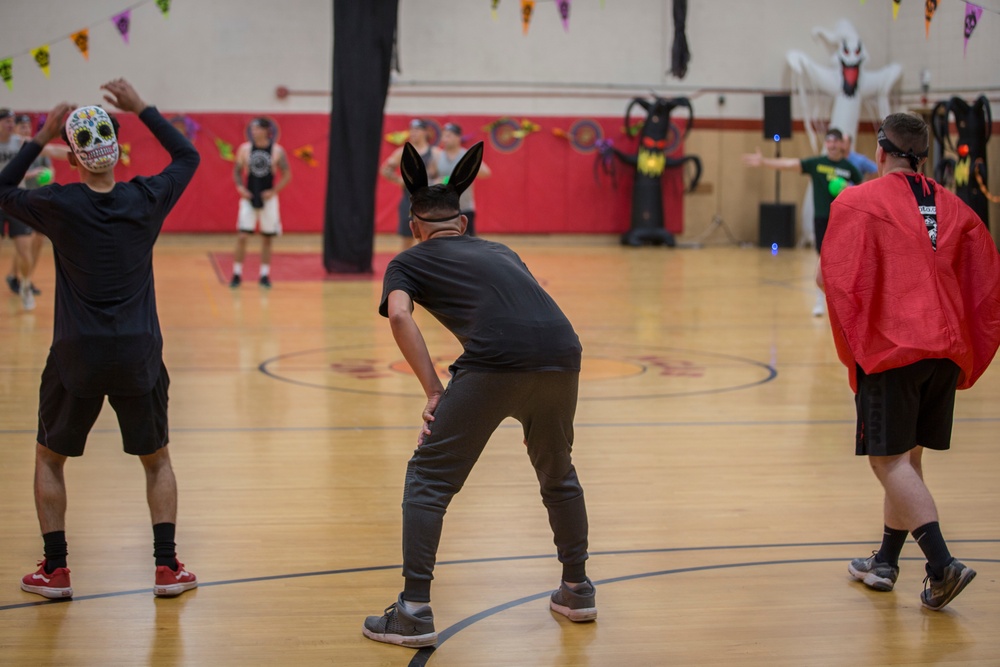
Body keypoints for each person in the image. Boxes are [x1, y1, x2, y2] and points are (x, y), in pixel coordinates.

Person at [363, 142, 594, 648]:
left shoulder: (407, 260)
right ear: (463, 224)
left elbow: (400, 315)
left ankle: (413, 610)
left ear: (413, 225)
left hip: (494, 363)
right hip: (563, 353)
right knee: (557, 471)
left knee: (427, 478)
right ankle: (576, 589)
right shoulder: (501, 249)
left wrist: (433, 390)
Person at [0, 79, 201, 600]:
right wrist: (143, 107)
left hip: (76, 356)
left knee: (49, 458)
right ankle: (166, 569)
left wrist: (39, 135)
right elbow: (188, 155)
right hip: (139, 354)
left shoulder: (57, 204)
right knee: (156, 459)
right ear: (118, 146)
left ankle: (57, 571)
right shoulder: (147, 197)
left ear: (71, 158)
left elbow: (1, 191)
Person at [819, 112, 1000, 611]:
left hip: (895, 347)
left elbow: (832, 279)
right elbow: (985, 277)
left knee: (888, 460)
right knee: (909, 459)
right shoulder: (957, 208)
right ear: (925, 154)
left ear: (880, 151)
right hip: (944, 350)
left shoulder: (857, 202)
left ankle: (941, 566)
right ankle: (885, 562)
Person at [743, 127, 863, 316]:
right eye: (829, 141)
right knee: (821, 261)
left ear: (842, 144)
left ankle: (845, 302)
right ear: (826, 144)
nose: (832, 145)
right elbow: (790, 164)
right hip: (822, 218)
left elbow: (861, 192)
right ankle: (819, 301)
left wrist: (849, 188)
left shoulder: (850, 168)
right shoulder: (817, 163)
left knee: (844, 262)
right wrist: (764, 162)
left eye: (835, 141)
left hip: (844, 220)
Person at [0, 110, 64, 310]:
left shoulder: (20, 142)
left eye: (12, 121)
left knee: (24, 250)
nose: (11, 124)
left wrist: (75, 153)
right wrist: (29, 174)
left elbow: (51, 150)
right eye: (7, 121)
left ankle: (25, 286)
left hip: (15, 201)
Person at [230, 117, 291, 288]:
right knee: (242, 236)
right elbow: (236, 171)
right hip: (249, 198)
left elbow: (287, 174)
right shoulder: (245, 149)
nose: (254, 132)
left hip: (268, 199)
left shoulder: (277, 151)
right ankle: (236, 273)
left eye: (257, 128)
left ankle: (264, 275)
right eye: (252, 129)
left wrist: (274, 191)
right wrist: (240, 187)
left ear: (266, 130)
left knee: (267, 238)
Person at [380, 118, 437, 250]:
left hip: (428, 202)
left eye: (417, 130)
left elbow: (443, 176)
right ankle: (404, 267)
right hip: (408, 199)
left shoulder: (434, 153)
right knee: (407, 237)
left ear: (425, 132)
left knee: (427, 237)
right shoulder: (402, 152)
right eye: (412, 130)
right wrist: (399, 180)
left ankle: (426, 266)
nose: (414, 133)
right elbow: (385, 169)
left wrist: (435, 183)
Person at [432, 122, 491, 236]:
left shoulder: (466, 155)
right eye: (444, 136)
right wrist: (439, 182)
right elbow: (433, 179)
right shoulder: (438, 156)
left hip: (464, 208)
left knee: (468, 244)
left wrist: (471, 165)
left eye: (449, 135)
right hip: (443, 209)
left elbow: (486, 173)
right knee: (444, 243)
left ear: (458, 137)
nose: (445, 139)